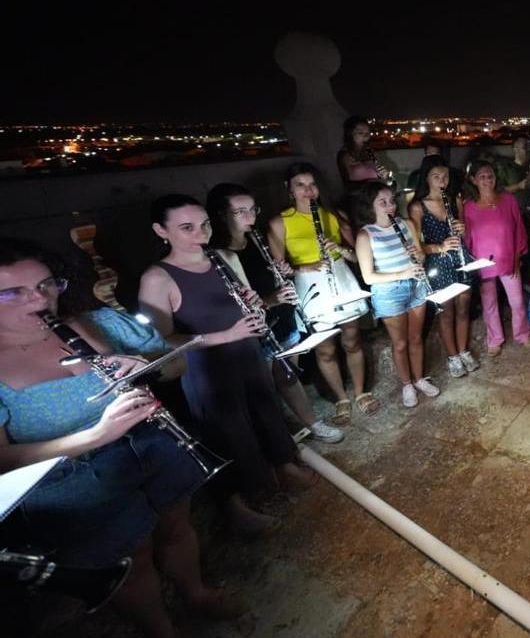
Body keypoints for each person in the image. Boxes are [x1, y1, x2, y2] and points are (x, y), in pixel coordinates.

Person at [0, 237, 243, 636]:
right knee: (133, 559)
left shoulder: (87, 322)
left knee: (177, 527)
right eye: (13, 292)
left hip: (150, 445)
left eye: (46, 284)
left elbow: (175, 366)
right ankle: (161, 628)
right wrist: (95, 436)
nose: (39, 299)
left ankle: (195, 593)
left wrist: (143, 367)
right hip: (73, 482)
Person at [139, 194, 317, 534]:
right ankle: (238, 505)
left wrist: (256, 311)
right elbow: (160, 343)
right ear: (161, 230)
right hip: (205, 368)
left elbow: (249, 305)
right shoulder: (157, 278)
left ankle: (283, 467)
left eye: (204, 225)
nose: (200, 235)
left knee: (267, 410)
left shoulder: (223, 257)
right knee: (226, 431)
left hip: (247, 352)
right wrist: (226, 335)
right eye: (187, 228)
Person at [206, 183, 344, 443]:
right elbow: (234, 302)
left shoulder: (256, 240)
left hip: (279, 319)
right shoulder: (217, 256)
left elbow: (272, 278)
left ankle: (312, 423)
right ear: (222, 215)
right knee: (263, 386)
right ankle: (279, 436)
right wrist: (271, 300)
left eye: (252, 209)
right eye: (240, 212)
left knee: (288, 376)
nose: (250, 217)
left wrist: (284, 275)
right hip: (253, 329)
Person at [267, 163, 377, 424]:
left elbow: (353, 254)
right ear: (289, 190)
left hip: (340, 277)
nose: (308, 191)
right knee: (325, 349)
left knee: (352, 340)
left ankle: (361, 392)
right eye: (300, 185)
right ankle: (341, 397)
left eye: (312, 185)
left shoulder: (332, 215)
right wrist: (306, 266)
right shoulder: (279, 223)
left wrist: (337, 247)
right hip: (310, 286)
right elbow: (278, 269)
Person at [352, 182, 442, 407]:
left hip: (416, 285)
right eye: (383, 202)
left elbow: (421, 256)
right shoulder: (366, 235)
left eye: (392, 200)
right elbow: (369, 277)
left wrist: (417, 256)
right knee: (400, 343)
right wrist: (403, 271)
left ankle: (420, 378)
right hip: (389, 293)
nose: (390, 206)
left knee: (416, 337)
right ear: (370, 206)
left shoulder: (406, 224)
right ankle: (406, 384)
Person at [409, 159, 478, 377]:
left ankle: (464, 350)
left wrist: (462, 229)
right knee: (447, 313)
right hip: (438, 263)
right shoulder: (418, 206)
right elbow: (414, 246)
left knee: (464, 308)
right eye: (436, 177)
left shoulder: (454, 199)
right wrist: (439, 246)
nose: (442, 181)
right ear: (426, 178)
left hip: (460, 259)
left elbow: (463, 233)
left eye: (445, 177)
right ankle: (452, 356)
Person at [462, 160, 530, 356]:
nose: (487, 180)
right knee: (489, 303)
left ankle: (523, 334)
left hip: (508, 259)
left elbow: (519, 228)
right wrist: (470, 263)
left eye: (490, 176)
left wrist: (517, 257)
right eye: (482, 177)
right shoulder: (467, 207)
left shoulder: (508, 199)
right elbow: (466, 236)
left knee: (517, 300)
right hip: (482, 263)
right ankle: (495, 339)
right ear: (473, 180)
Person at [337, 116, 394, 186]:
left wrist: (385, 176)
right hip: (361, 193)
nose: (366, 136)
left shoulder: (369, 152)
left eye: (368, 133)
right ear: (350, 134)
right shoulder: (345, 155)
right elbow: (347, 182)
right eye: (360, 133)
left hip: (375, 189)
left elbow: (383, 178)